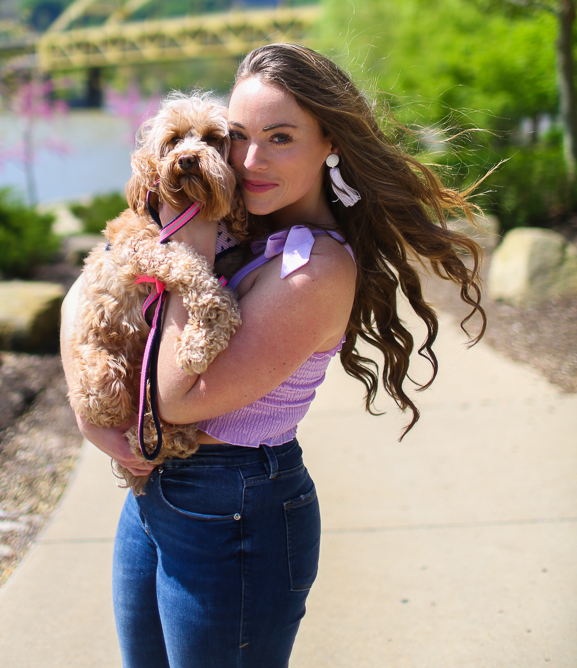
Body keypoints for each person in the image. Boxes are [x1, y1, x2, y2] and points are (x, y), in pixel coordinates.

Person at [60, 43, 485, 668]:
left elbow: (175, 398)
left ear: (330, 143)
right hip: (155, 494)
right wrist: (87, 409)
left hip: (233, 504)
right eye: (237, 136)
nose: (251, 160)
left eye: (280, 137)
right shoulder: (247, 223)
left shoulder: (314, 270)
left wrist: (195, 240)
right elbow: (81, 293)